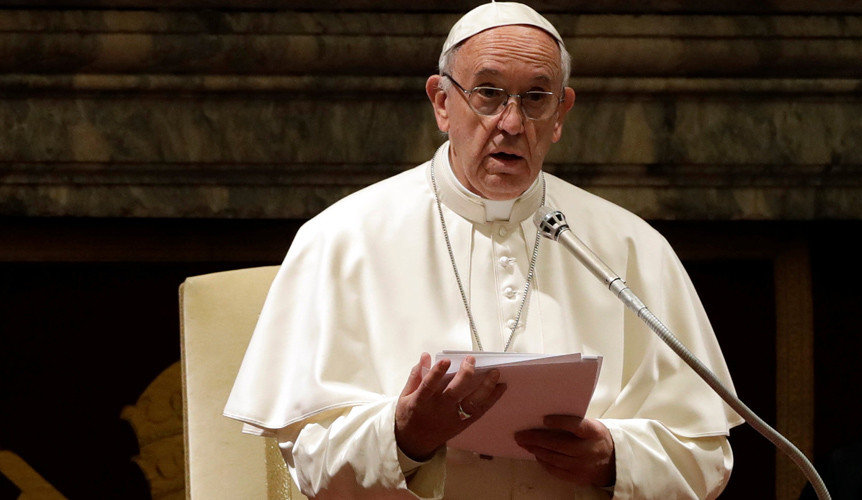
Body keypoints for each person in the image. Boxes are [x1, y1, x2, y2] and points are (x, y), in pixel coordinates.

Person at [225, 2, 743, 498]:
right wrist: (403, 436)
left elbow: (705, 457)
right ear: (442, 102)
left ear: (561, 112)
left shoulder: (632, 248)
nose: (512, 123)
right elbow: (307, 464)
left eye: (537, 98)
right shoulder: (342, 239)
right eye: (489, 93)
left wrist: (615, 459)